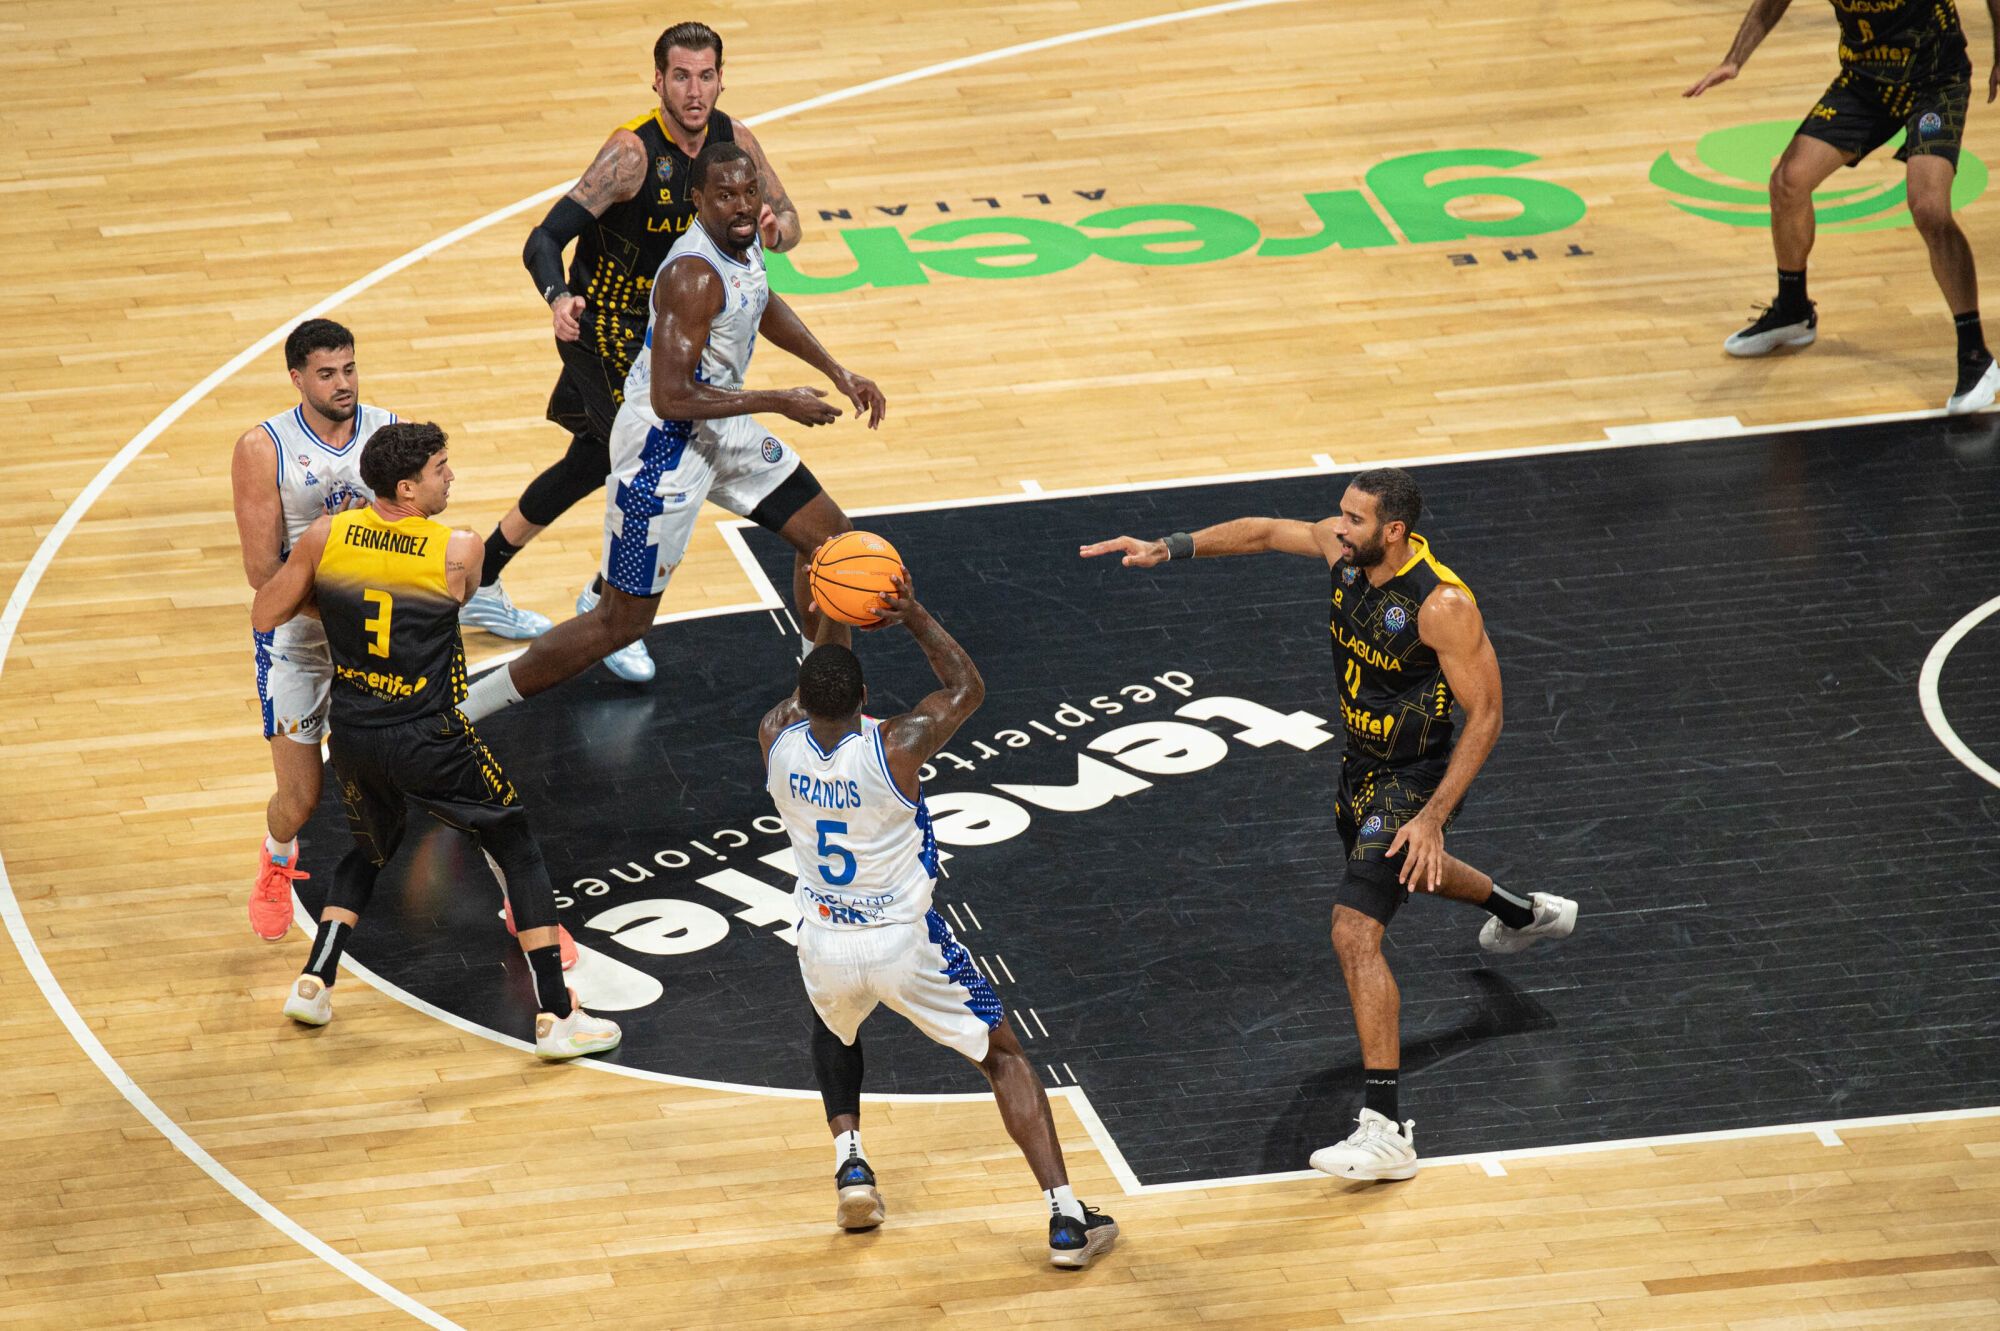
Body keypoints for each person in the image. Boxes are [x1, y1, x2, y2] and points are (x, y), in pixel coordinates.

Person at [1079, 467, 1578, 1181]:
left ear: (1394, 530)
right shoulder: (1345, 555)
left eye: (1355, 518)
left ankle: (1386, 1130)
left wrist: (1433, 815)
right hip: (1359, 769)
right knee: (1403, 873)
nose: (1338, 526)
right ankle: (1522, 913)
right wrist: (1170, 545)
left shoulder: (1442, 605)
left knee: (1354, 927)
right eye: (1340, 514)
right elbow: (1261, 532)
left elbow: (1489, 714)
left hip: (1415, 778)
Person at [758, 573, 1119, 1269]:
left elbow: (814, 687)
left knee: (835, 1026)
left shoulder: (775, 736)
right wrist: (914, 614)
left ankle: (852, 1163)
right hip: (903, 941)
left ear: (802, 698)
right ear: (865, 697)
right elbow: (966, 688)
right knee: (1004, 1055)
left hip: (823, 940)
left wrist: (831, 614)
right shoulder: (897, 744)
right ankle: (1066, 1218)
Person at [457, 140, 884, 724]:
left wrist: (837, 369)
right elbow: (671, 397)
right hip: (662, 446)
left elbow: (759, 301)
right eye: (726, 195)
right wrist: (778, 400)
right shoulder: (691, 273)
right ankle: (465, 710)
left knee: (831, 543)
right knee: (617, 623)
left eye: (749, 192)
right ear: (697, 200)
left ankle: (820, 705)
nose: (741, 206)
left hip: (720, 418)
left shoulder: (745, 237)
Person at [250, 423, 616, 1059]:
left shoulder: (325, 536)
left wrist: (337, 601)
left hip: (357, 735)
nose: (451, 477)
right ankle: (558, 1017)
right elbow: (456, 602)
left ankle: (314, 982)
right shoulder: (460, 549)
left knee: (370, 847)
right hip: (429, 734)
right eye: (441, 469)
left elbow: (265, 612)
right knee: (517, 845)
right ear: (406, 487)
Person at [462, 19, 807, 673]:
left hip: (673, 335)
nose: (695, 90)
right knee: (643, 456)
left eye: (706, 75)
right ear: (658, 81)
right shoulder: (632, 154)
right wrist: (556, 296)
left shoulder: (738, 145)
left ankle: (485, 577)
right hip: (605, 329)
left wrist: (775, 229)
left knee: (593, 456)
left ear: (721, 79)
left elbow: (790, 223)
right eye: (681, 75)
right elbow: (543, 237)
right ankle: (607, 599)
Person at [1685, 0, 2000, 413]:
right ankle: (1793, 310)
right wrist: (1734, 60)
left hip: (1934, 82)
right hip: (1864, 83)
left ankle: (1976, 356)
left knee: (1929, 209)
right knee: (1788, 182)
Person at [229, 319, 394, 941]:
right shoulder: (262, 447)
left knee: (418, 768)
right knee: (300, 799)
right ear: (297, 378)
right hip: (299, 635)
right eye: (327, 374)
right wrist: (335, 613)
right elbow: (261, 572)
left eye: (349, 368)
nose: (343, 383)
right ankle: (276, 858)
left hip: (373, 630)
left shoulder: (387, 428)